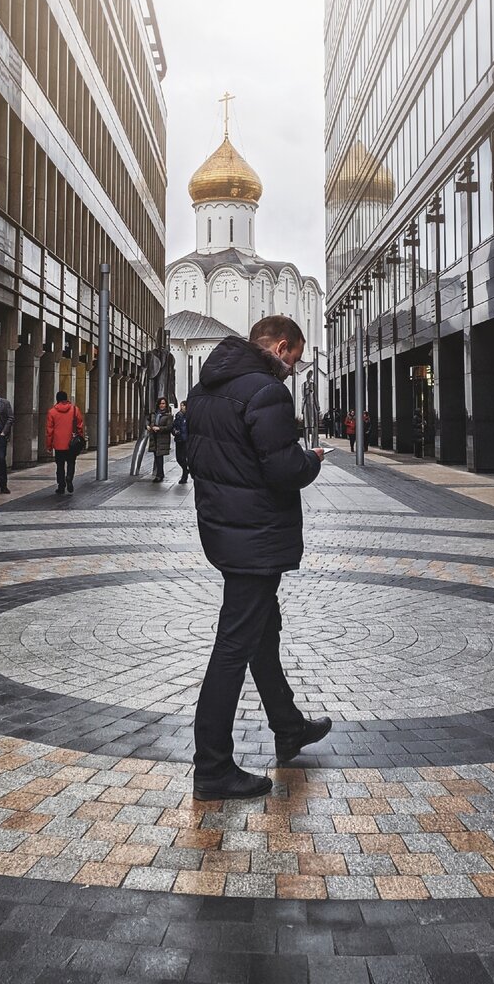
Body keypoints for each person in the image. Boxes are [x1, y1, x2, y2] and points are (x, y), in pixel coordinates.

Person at [187, 315, 331, 802]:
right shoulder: (266, 391)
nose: (293, 368)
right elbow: (283, 468)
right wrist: (312, 460)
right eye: (294, 358)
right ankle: (211, 767)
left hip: (225, 530)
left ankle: (288, 727)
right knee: (233, 646)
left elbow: (194, 456)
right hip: (256, 535)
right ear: (283, 347)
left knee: (261, 634)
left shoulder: (204, 389)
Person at [46, 390, 84, 494]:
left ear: (57, 399)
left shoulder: (52, 412)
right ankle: (69, 478)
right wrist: (80, 438)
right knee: (71, 462)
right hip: (72, 443)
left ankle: (61, 486)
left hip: (58, 444)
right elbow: (80, 426)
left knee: (60, 465)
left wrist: (49, 445)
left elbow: (50, 431)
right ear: (66, 399)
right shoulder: (75, 410)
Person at [147, 397, 173, 482]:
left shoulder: (168, 415)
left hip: (162, 439)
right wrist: (148, 426)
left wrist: (159, 428)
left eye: (163, 403)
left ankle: (159, 475)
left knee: (159, 457)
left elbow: (169, 427)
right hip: (154, 438)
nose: (161, 405)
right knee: (156, 457)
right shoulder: (154, 414)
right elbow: (148, 421)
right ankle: (160, 474)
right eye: (160, 403)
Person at [172, 400, 190, 484]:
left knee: (184, 458)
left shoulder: (189, 416)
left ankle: (184, 475)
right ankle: (186, 470)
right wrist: (174, 431)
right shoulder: (178, 416)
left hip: (186, 440)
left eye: (183, 405)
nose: (181, 407)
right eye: (181, 405)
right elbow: (174, 426)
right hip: (179, 439)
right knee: (179, 458)